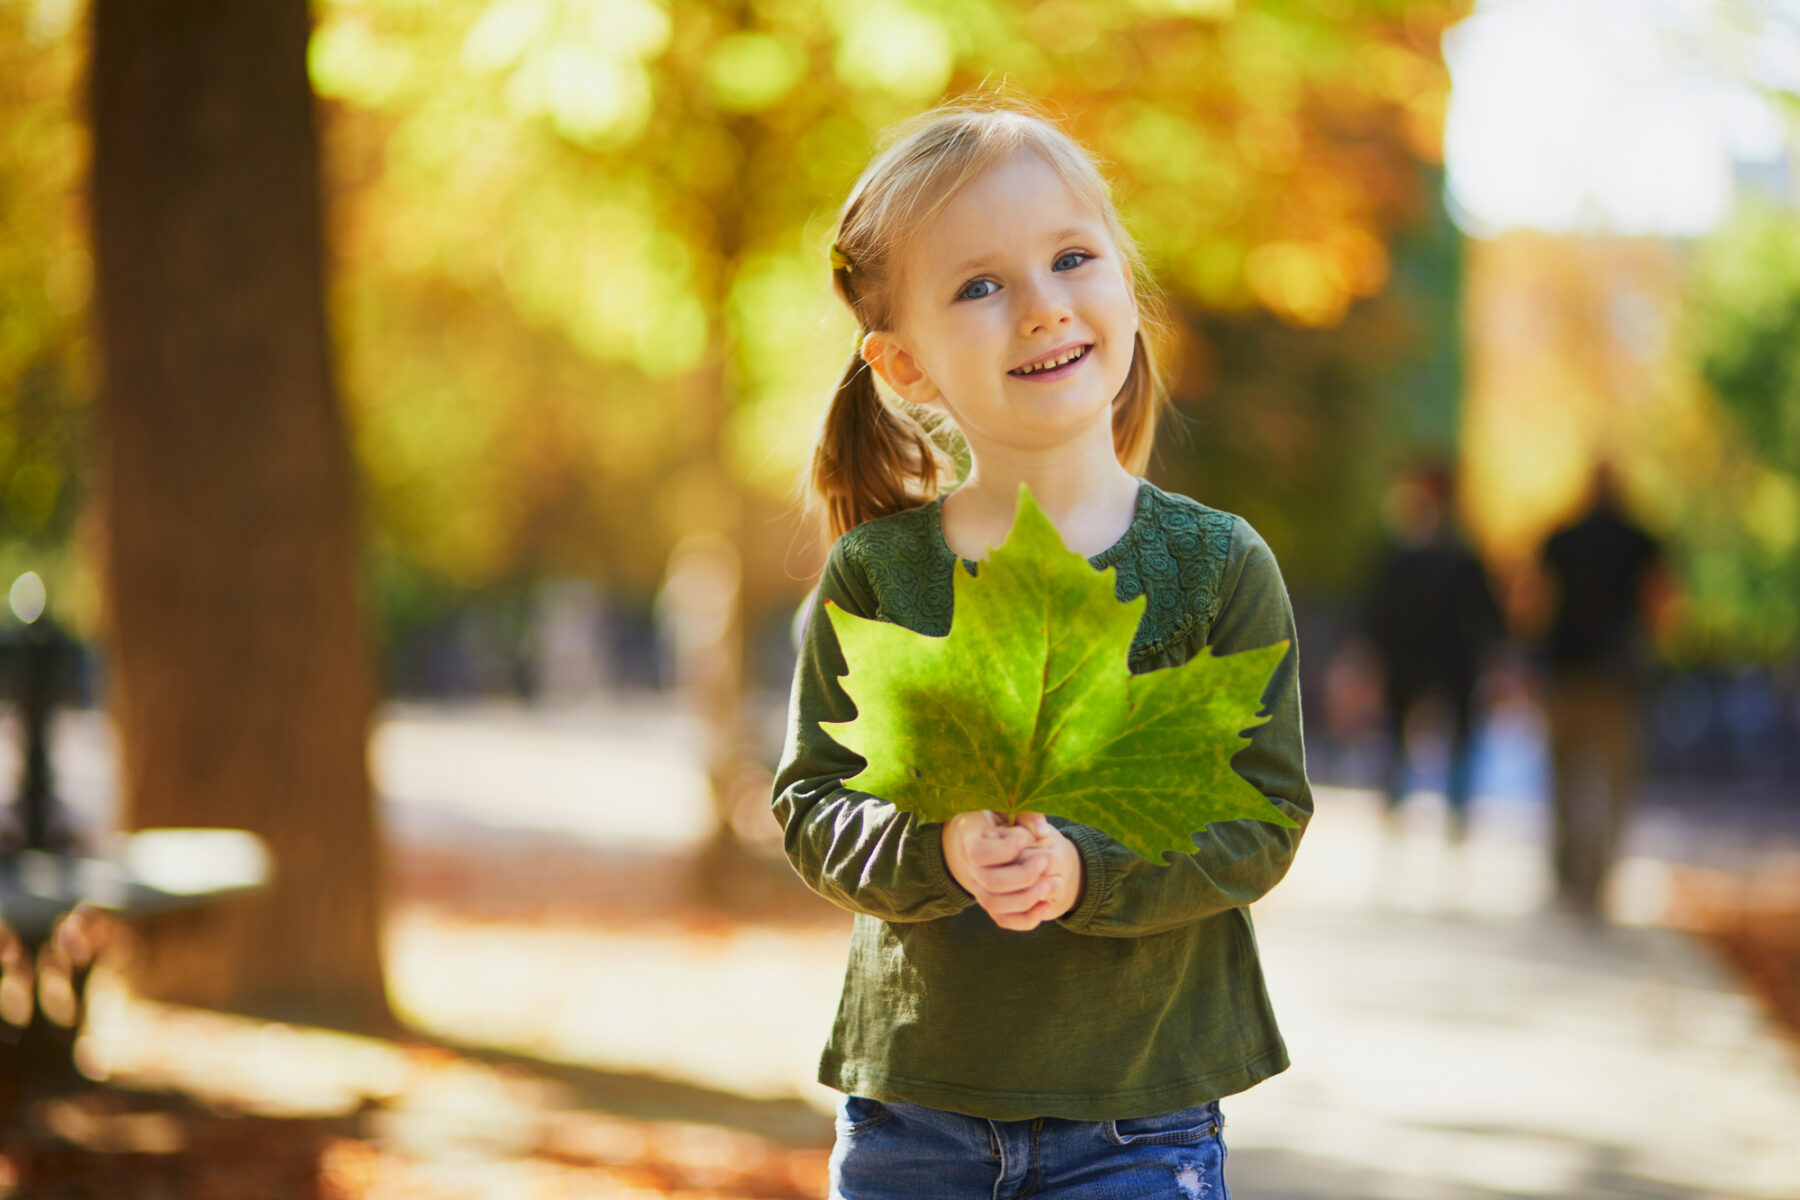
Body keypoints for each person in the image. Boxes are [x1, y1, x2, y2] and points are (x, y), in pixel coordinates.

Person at [770, 99, 1311, 1199]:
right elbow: (811, 807)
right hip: (913, 1113)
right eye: (979, 285)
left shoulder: (1217, 567)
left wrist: (1088, 871)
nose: (1042, 307)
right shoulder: (877, 578)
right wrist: (939, 853)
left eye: (1072, 258)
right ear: (905, 364)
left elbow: (1262, 812)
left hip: (1140, 1116)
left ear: (1124, 283)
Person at [1537, 463, 1668, 919]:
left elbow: (1535, 600)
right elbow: (1659, 603)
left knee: (1564, 779)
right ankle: (1601, 880)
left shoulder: (1561, 539)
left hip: (1566, 671)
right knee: (1615, 784)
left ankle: (1567, 874)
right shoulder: (1642, 541)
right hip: (1619, 676)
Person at [1361, 461, 1506, 841]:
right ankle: (1436, 820)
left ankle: (1418, 818)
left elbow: (1380, 613)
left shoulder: (1414, 557)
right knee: (1432, 743)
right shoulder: (1456, 557)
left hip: (1429, 662)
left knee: (1426, 743)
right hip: (1441, 662)